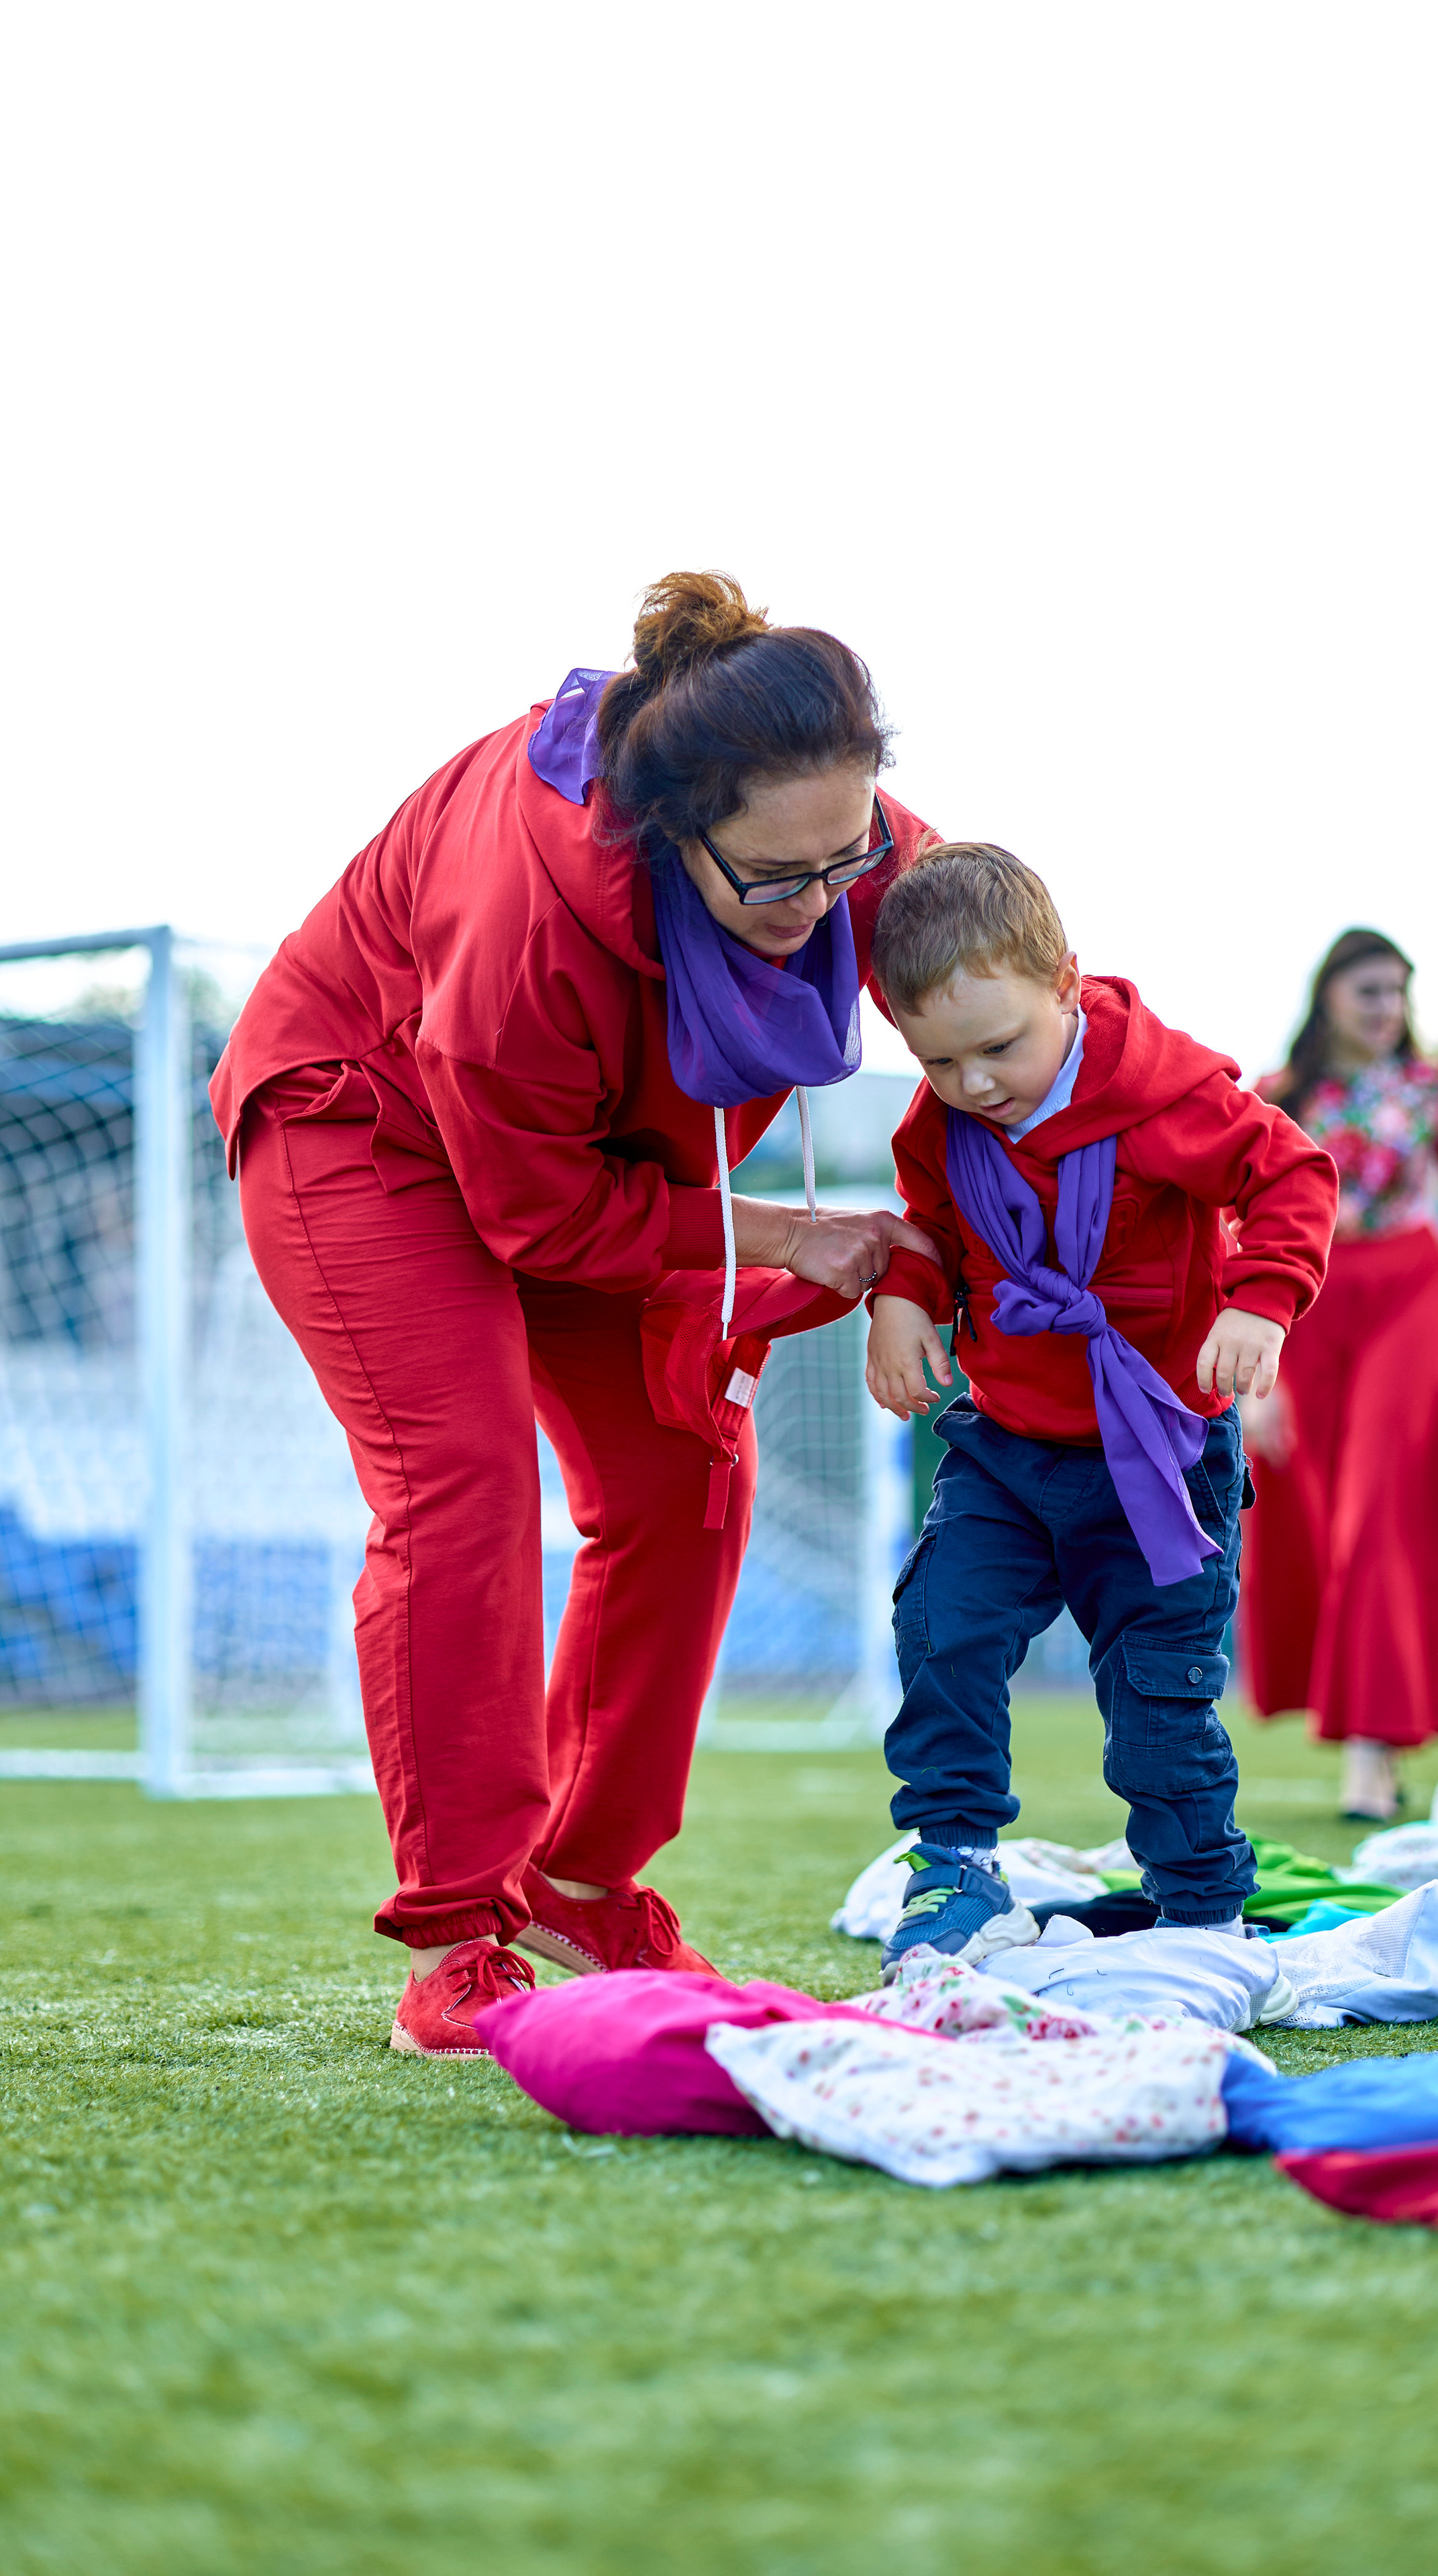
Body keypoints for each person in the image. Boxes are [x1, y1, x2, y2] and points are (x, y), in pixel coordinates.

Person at [210, 572, 938, 2056]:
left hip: (592, 1155)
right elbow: (538, 1217)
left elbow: (1015, 993)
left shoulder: (838, 838)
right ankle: (459, 1935)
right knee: (462, 1484)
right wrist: (792, 1236)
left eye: (847, 857)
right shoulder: (526, 909)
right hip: (368, 1127)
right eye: (777, 880)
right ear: (670, 831)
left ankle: (583, 1881)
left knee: (686, 1471)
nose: (824, 907)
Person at [858, 846, 1339, 1976]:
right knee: (941, 1625)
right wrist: (902, 1298)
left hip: (1158, 1456)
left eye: (999, 1047)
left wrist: (1262, 1301)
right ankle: (957, 1866)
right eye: (939, 1060)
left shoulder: (1164, 1096)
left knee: (1158, 1699)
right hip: (1009, 1452)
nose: (975, 1084)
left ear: (1066, 984)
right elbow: (930, 1226)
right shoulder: (941, 1122)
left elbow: (1292, 1175)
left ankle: (1201, 1914)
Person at [1239, 927, 1438, 1821]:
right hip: (1310, 1307)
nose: (1386, 1008)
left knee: (1378, 1514)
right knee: (1324, 1524)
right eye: (1369, 990)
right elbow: (1236, 1223)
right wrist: (1255, 1376)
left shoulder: (1433, 1086)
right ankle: (1386, 1730)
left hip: (1410, 1300)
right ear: (1328, 995)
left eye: (1397, 992)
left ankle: (1368, 1757)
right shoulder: (1279, 1096)